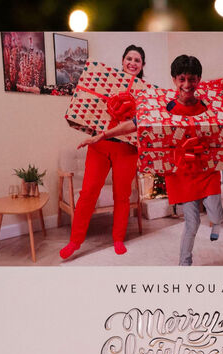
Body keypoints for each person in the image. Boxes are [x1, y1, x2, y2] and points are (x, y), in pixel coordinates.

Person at [80, 55, 223, 265]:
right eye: (182, 79)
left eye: (192, 79)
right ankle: (184, 263)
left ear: (199, 80)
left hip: (207, 169)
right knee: (192, 221)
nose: (187, 85)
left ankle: (216, 225)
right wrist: (102, 135)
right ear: (174, 80)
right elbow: (135, 123)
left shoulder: (208, 106)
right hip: (182, 173)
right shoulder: (164, 108)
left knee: (216, 214)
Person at [59, 45, 146, 260]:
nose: (133, 62)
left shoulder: (146, 92)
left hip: (127, 149)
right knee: (88, 192)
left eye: (137, 60)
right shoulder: (106, 83)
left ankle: (118, 239)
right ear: (123, 60)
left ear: (142, 65)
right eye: (129, 58)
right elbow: (88, 109)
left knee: (122, 195)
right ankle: (75, 242)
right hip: (100, 145)